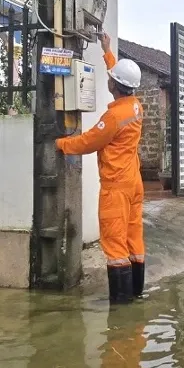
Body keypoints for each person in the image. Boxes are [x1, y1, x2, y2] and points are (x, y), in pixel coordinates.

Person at [56, 33, 145, 304]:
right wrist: (107, 52)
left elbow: (89, 141)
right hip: (133, 183)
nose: (109, 78)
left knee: (114, 243)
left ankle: (121, 304)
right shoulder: (135, 106)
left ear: (115, 85)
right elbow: (120, 77)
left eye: (111, 77)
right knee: (133, 239)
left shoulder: (114, 116)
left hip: (116, 187)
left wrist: (61, 144)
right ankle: (136, 293)